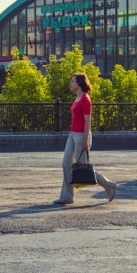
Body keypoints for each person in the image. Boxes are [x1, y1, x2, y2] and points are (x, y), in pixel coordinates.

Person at [54, 73, 116, 205]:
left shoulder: (85, 99)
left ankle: (109, 185)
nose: (70, 84)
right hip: (72, 134)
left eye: (72, 82)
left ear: (80, 83)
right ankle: (67, 196)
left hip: (82, 135)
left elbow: (88, 122)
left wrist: (85, 140)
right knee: (66, 164)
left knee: (83, 168)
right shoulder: (77, 98)